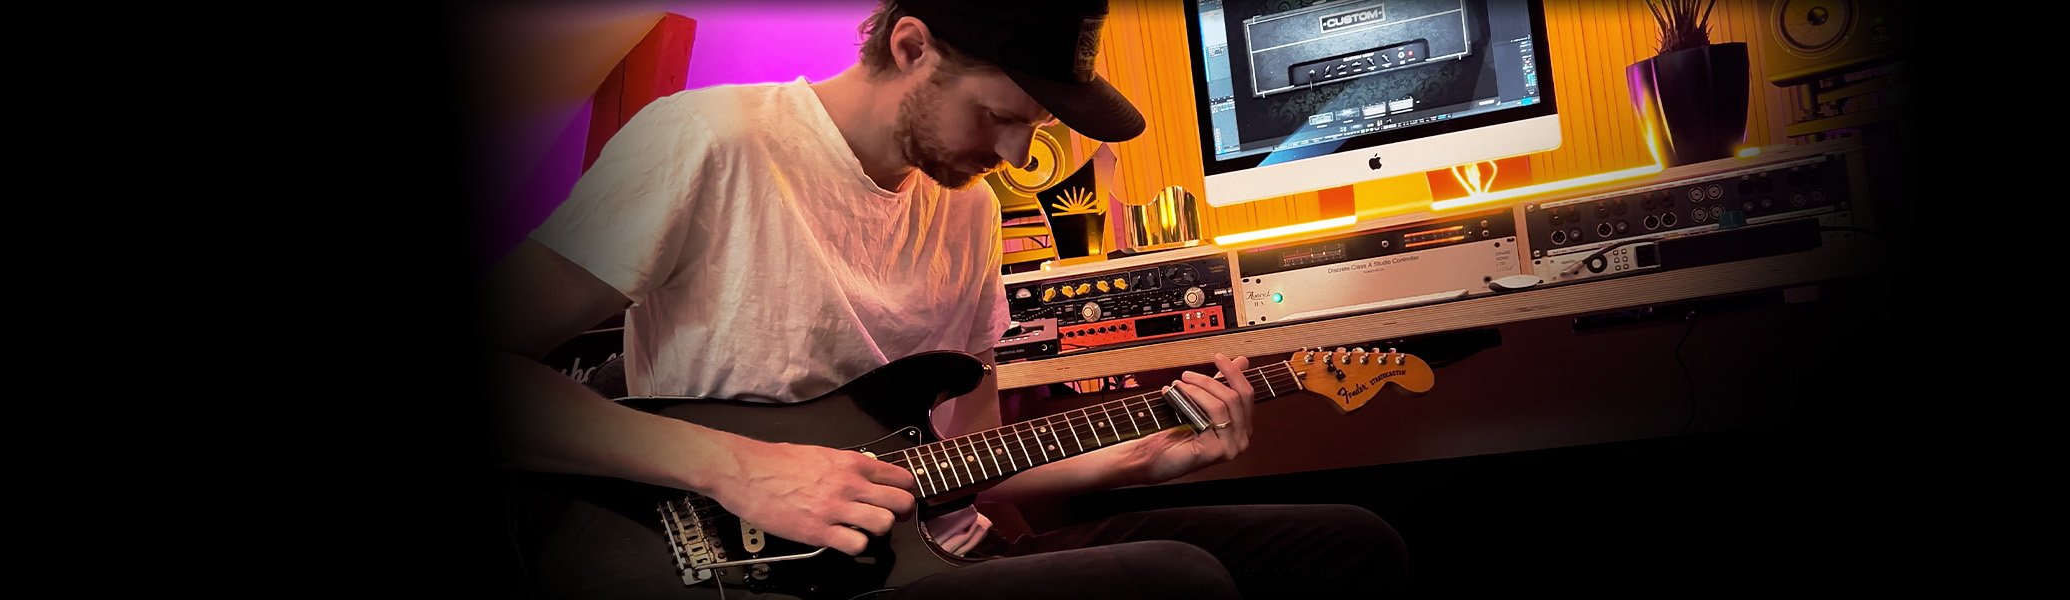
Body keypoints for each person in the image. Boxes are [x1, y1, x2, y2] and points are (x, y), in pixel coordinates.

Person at [480, 0, 1407, 598]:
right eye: (998, 117)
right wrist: (736, 467)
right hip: (777, 572)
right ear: (911, 46)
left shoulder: (966, 214)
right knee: (1180, 582)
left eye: (1030, 130)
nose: (1012, 156)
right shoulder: (709, 140)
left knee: (1351, 541)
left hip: (948, 549)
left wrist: (1138, 459)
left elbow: (972, 460)